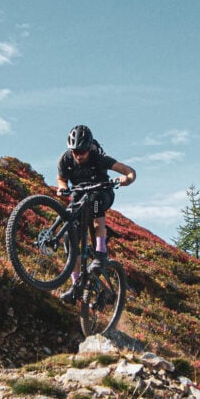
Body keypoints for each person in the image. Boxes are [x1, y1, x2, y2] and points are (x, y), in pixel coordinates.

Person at [57, 124, 136, 303]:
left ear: (89, 148)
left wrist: (126, 179)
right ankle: (76, 285)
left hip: (102, 192)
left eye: (82, 151)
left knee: (94, 201)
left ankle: (101, 252)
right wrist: (62, 188)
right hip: (78, 196)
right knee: (71, 236)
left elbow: (129, 171)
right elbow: (61, 178)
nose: (78, 155)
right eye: (75, 151)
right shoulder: (65, 159)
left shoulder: (99, 158)